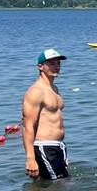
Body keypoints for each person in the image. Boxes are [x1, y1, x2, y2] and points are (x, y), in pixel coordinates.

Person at [22, 49, 69, 180]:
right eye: (51, 63)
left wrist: (62, 150)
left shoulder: (54, 89)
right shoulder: (36, 92)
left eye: (58, 63)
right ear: (40, 66)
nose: (56, 66)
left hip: (57, 146)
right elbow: (28, 126)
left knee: (54, 187)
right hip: (44, 147)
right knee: (61, 187)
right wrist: (30, 159)